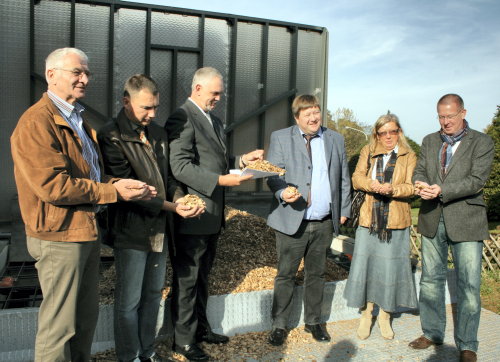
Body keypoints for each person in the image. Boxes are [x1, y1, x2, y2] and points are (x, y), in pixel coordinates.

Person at [10, 48, 156, 362]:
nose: (85, 79)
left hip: (83, 231)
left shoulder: (76, 117)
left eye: (86, 72)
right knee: (59, 328)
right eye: (77, 72)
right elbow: (53, 187)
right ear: (51, 75)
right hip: (58, 235)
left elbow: (90, 173)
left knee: (83, 321)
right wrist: (112, 193)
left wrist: (116, 184)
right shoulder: (36, 122)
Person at [97, 74, 204, 362]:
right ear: (126, 102)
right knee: (129, 302)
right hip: (131, 230)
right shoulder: (111, 135)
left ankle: (148, 352)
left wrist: (180, 197)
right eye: (146, 107)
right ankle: (130, 356)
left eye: (155, 107)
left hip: (158, 228)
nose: (152, 114)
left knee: (153, 296)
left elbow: (168, 178)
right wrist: (172, 207)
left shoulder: (157, 133)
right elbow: (131, 190)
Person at [165, 67, 263, 361]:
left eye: (220, 93)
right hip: (193, 212)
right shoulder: (181, 117)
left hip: (212, 215)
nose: (219, 98)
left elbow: (216, 161)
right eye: (214, 93)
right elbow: (179, 166)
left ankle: (200, 329)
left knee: (202, 276)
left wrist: (242, 160)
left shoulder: (214, 120)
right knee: (187, 279)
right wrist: (221, 181)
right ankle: (182, 340)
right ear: (197, 89)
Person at [410, 94, 494, 362]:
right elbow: (420, 170)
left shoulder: (482, 142)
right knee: (430, 281)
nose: (445, 122)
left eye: (450, 116)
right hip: (432, 218)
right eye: (441, 117)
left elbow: (476, 180)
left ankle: (468, 343)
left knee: (469, 285)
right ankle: (433, 333)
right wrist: (421, 185)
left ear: (463, 113)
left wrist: (441, 190)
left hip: (467, 220)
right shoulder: (429, 140)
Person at [265, 94, 351, 346]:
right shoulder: (281, 137)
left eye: (316, 112)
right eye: (307, 114)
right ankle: (279, 325)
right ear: (297, 118)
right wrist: (283, 192)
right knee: (285, 275)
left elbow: (343, 177)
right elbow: (273, 174)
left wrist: (343, 208)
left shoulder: (335, 138)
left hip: (324, 220)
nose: (314, 118)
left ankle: (314, 322)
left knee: (317, 274)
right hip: (292, 220)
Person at [343, 113, 418, 340]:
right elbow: (356, 178)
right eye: (383, 132)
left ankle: (385, 316)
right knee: (367, 266)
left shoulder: (409, 155)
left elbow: (413, 187)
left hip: (396, 222)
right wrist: (372, 185)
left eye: (392, 131)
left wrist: (393, 189)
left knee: (390, 270)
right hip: (369, 221)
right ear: (376, 134)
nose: (388, 136)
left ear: (399, 132)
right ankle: (367, 314)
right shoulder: (368, 152)